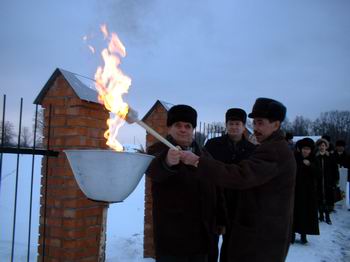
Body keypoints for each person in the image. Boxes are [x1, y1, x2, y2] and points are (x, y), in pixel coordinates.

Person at [180, 97, 296, 262]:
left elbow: (242, 175)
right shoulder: (269, 146)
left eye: (260, 123)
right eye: (254, 122)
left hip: (260, 234)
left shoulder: (274, 150)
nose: (255, 128)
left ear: (276, 124)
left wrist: (197, 161)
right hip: (240, 222)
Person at [146, 104, 218, 262]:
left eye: (188, 126)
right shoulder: (157, 150)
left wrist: (218, 219)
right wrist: (167, 162)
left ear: (192, 129)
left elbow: (215, 188)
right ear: (169, 128)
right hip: (173, 237)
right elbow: (153, 171)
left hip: (201, 236)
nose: (183, 129)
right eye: (177, 125)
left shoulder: (203, 153)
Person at [204, 108, 256, 262]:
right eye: (231, 123)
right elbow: (205, 171)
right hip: (215, 202)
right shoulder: (213, 145)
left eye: (237, 123)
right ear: (226, 125)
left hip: (240, 204)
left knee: (233, 248)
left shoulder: (252, 150)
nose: (234, 127)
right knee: (210, 246)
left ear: (244, 126)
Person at [291, 138, 319, 244]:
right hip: (296, 190)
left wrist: (310, 166)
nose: (305, 151)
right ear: (300, 149)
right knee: (294, 213)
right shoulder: (295, 158)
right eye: (304, 149)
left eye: (308, 149)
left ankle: (304, 234)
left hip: (308, 192)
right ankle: (292, 234)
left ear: (311, 150)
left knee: (306, 213)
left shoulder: (313, 159)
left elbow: (318, 174)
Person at [314, 138, 339, 224]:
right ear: (318, 147)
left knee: (328, 199)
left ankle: (327, 216)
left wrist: (335, 180)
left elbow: (335, 169)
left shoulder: (330, 156)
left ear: (326, 147)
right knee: (320, 199)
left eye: (323, 146)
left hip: (328, 181)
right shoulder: (315, 156)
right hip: (318, 182)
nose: (322, 147)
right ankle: (320, 215)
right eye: (320, 146)